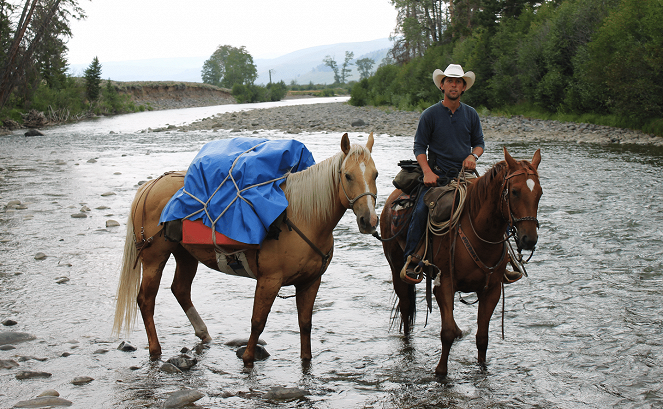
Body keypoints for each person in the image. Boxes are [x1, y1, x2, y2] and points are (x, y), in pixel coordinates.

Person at [401, 64, 484, 285]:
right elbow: (419, 147)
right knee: (421, 211)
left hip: (464, 174)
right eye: (450, 81)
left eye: (458, 81)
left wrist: (473, 157)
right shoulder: (430, 114)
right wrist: (427, 172)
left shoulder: (471, 114)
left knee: (492, 202)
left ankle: (505, 260)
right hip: (437, 174)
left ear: (464, 87)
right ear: (442, 85)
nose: (454, 85)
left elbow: (479, 144)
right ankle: (412, 259)